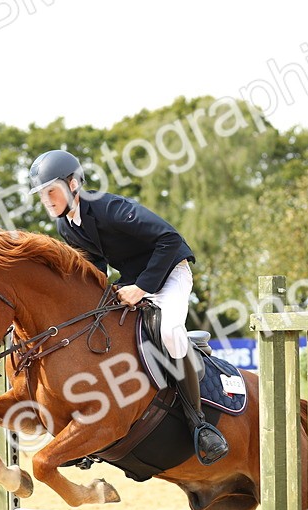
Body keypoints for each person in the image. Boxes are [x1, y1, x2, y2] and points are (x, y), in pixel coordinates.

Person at [28, 149, 228, 465]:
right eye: (42, 195)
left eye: (51, 190)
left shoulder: (110, 208)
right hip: (132, 282)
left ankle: (199, 422)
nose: (47, 199)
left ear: (73, 184)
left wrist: (143, 287)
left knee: (169, 332)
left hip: (170, 274)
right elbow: (93, 266)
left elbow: (169, 240)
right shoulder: (66, 226)